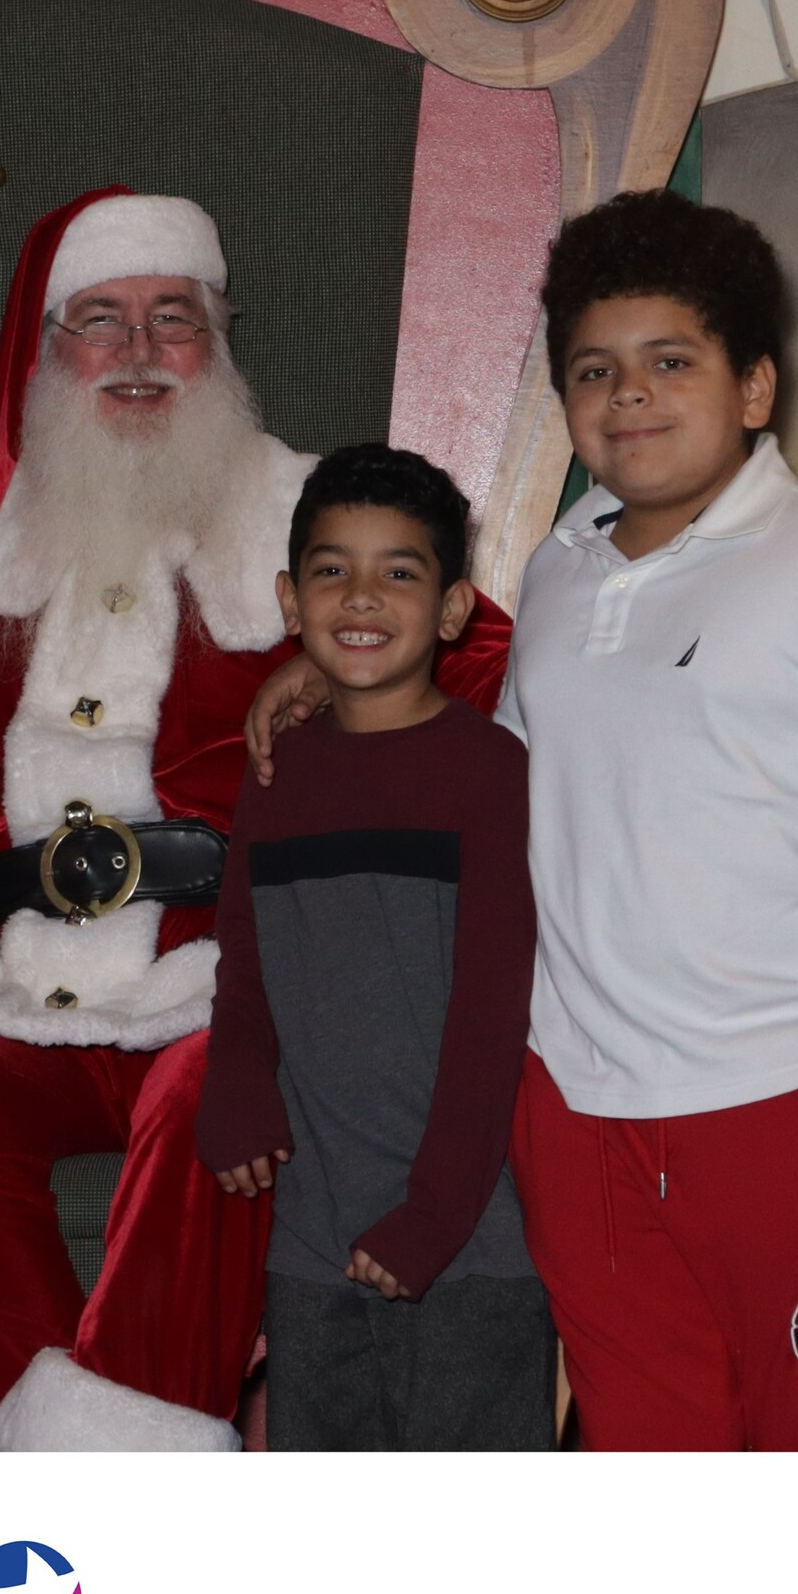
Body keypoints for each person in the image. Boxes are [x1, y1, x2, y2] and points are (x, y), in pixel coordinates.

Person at [0, 189, 509, 1450]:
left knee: (222, 1101)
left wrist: (348, 677)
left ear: (218, 341)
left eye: (172, 318)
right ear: (45, 352)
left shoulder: (316, 530)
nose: (137, 352)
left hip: (223, 977)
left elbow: (499, 661)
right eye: (100, 320)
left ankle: (102, 1501)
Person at [496, 191, 798, 1449]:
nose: (629, 394)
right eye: (594, 370)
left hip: (794, 1095)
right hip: (579, 1111)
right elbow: (505, 785)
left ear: (754, 388)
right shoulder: (556, 567)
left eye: (671, 362)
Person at [199, 445, 548, 1451]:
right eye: (331, 569)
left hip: (468, 1240)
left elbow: (492, 1020)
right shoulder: (276, 769)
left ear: (452, 608)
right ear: (289, 600)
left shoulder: (491, 772)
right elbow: (245, 960)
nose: (361, 595)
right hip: (313, 1237)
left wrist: (434, 1214)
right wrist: (235, 1084)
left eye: (399, 570)